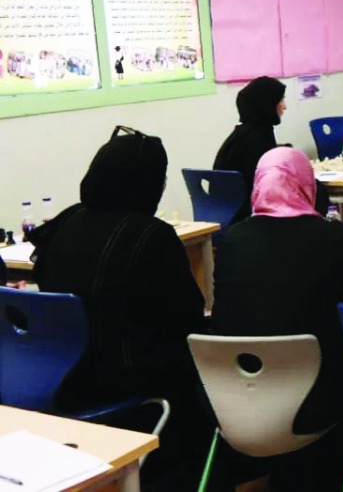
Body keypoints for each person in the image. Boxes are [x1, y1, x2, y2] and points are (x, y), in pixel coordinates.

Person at [28, 126, 208, 489]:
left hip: (58, 378)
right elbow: (187, 314)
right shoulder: (150, 236)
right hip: (124, 381)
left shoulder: (63, 224)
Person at [209, 147, 343, 489]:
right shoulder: (335, 239)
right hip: (315, 404)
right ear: (306, 185)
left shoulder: (233, 240)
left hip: (231, 401)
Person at [214, 76, 288, 224]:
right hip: (249, 215)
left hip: (223, 212)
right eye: (280, 100)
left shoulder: (240, 135)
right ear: (267, 105)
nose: (284, 106)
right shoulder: (259, 139)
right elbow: (269, 185)